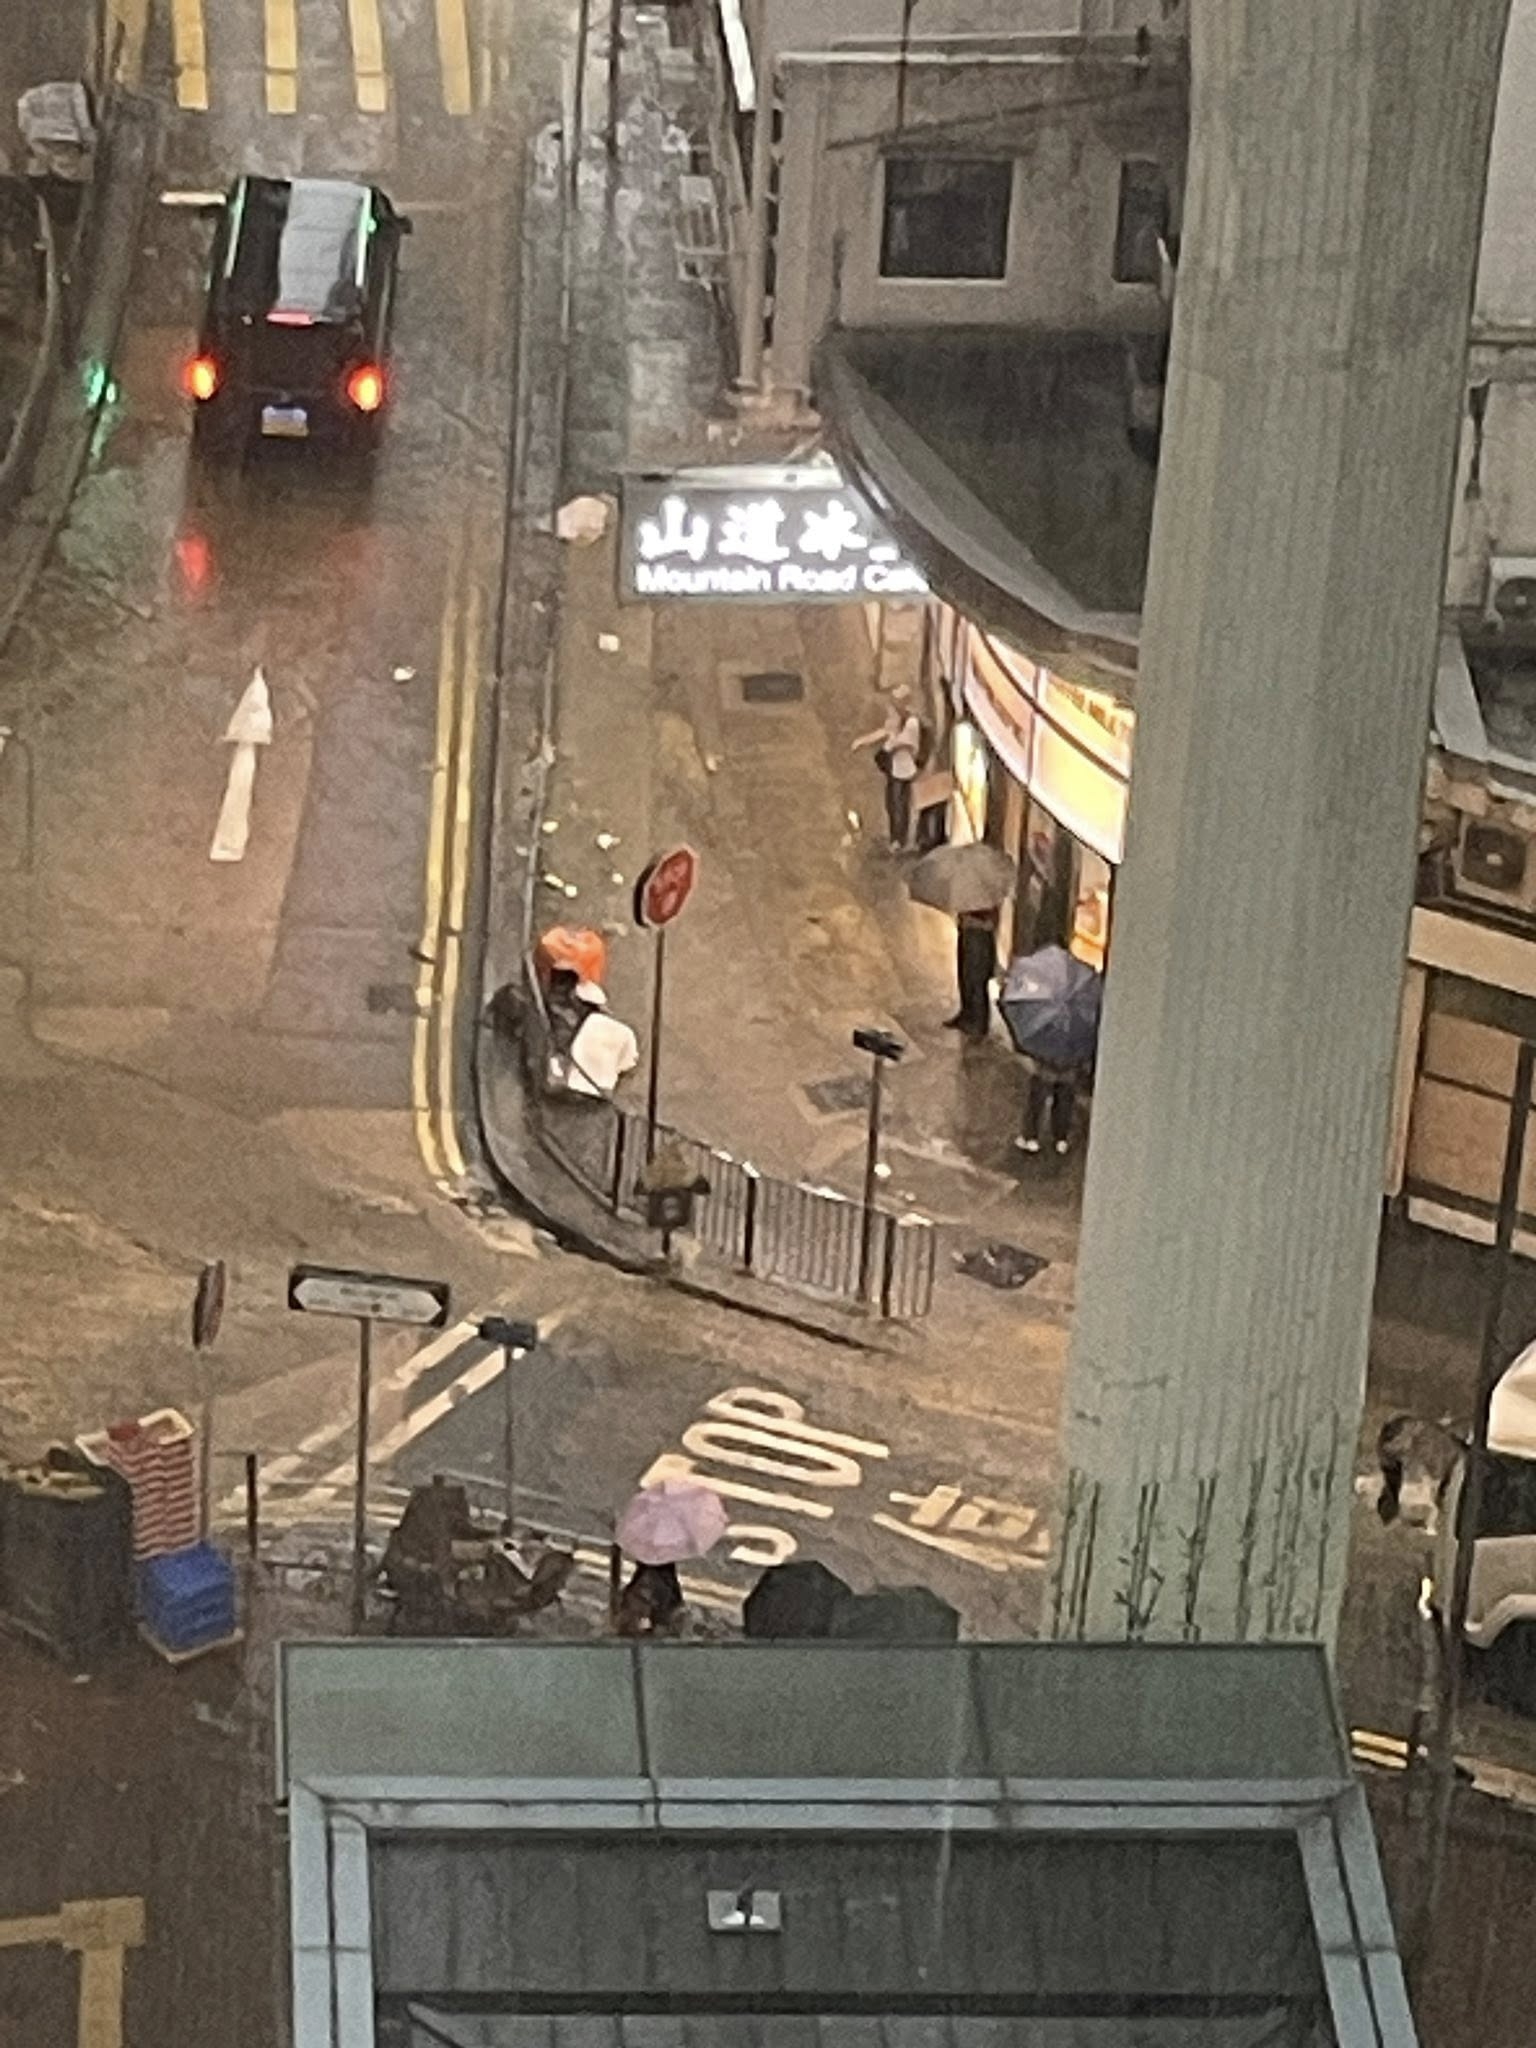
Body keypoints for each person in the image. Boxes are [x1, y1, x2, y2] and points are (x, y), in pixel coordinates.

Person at [852, 689, 923, 850]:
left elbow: (906, 743)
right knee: (891, 803)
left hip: (905, 769)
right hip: (894, 768)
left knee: (900, 804)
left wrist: (888, 745)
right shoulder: (896, 719)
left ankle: (900, 839)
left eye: (897, 701)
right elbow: (883, 732)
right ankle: (894, 837)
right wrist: (862, 741)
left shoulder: (911, 722)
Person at [946, 906, 998, 1039]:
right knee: (966, 976)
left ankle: (977, 1022)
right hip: (971, 924)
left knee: (975, 978)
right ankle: (967, 1013)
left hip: (979, 927)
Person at [1017, 1058, 1077, 1155]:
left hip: (1047, 1063)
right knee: (1064, 1102)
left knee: (1037, 1100)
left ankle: (1030, 1137)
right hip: (1070, 1065)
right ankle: (1061, 1139)